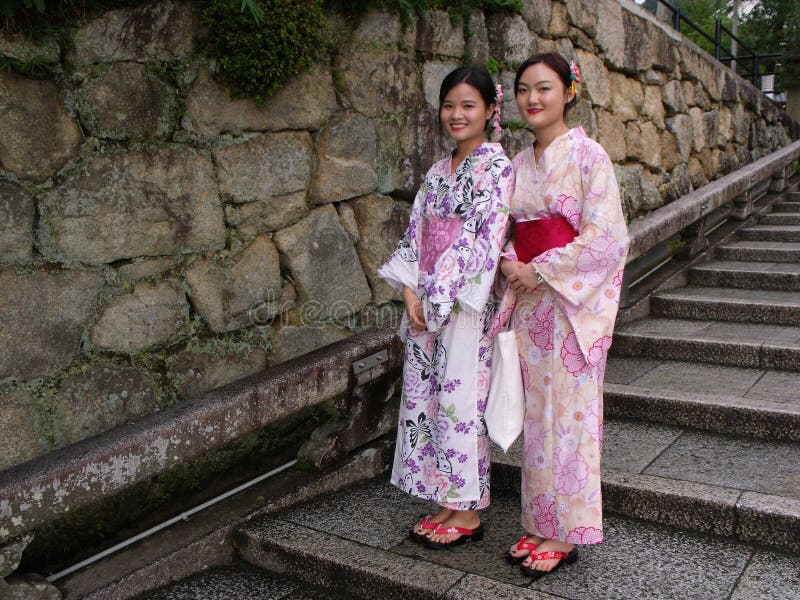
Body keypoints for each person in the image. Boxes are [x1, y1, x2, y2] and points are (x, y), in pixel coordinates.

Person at [495, 53, 629, 577]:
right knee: (536, 417)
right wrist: (509, 258)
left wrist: (543, 268)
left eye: (544, 88)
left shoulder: (589, 156)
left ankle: (566, 530)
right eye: (525, 89)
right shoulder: (517, 164)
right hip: (529, 306)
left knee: (570, 419)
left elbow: (607, 236)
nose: (533, 99)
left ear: (569, 92)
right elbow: (504, 229)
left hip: (570, 307)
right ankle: (537, 520)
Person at [377, 66, 514, 549]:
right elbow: (416, 234)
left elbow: (484, 238)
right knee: (427, 399)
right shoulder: (438, 171)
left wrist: (436, 292)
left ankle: (469, 509)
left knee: (461, 403)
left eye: (468, 105)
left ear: (490, 110)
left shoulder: (497, 168)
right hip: (426, 302)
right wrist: (409, 290)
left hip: (463, 303)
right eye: (450, 105)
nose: (457, 114)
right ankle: (444, 497)